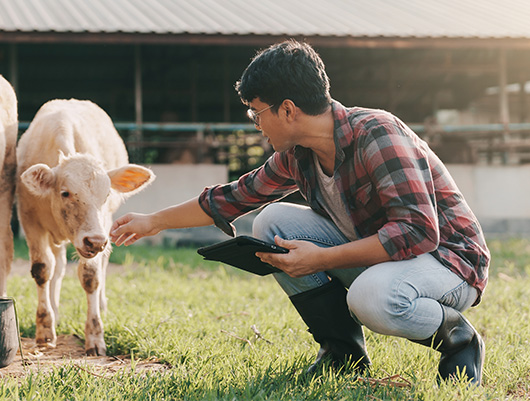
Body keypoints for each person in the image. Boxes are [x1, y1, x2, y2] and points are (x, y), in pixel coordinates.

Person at [110, 40, 489, 384]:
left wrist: (321, 259)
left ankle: (460, 340)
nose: (256, 126)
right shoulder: (297, 155)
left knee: (370, 298)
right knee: (272, 222)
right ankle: (343, 352)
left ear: (288, 110)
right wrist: (153, 221)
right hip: (392, 258)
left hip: (449, 263)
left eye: (256, 114)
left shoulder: (377, 133)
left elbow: (417, 232)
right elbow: (233, 197)